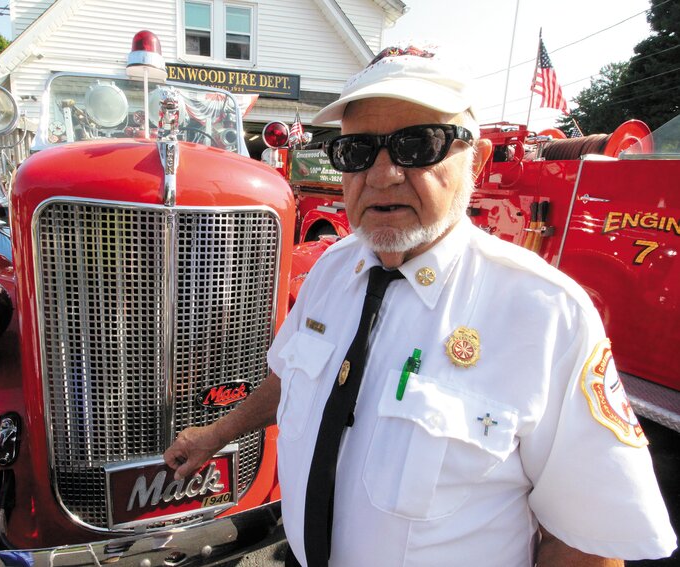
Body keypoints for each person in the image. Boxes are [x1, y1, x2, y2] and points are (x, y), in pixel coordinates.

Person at [164, 45, 677, 566]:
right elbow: (291, 376)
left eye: (418, 145)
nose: (383, 174)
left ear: (476, 160)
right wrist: (218, 432)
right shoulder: (334, 268)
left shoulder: (545, 315)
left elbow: (588, 543)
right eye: (357, 151)